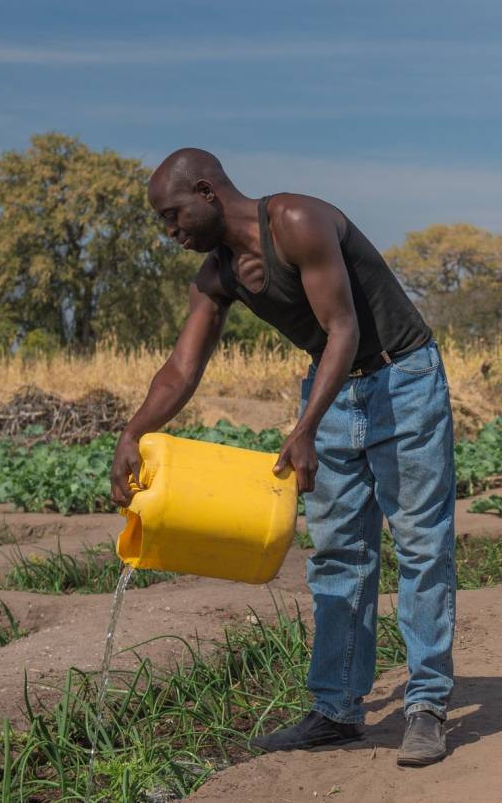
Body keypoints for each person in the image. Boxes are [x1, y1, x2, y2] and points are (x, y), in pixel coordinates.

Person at [110, 148, 456, 767]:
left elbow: (344, 329)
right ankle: (337, 710)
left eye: (173, 215)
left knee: (420, 544)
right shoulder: (217, 275)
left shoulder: (296, 222)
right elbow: (182, 367)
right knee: (339, 553)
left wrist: (304, 428)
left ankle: (426, 705)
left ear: (207, 191)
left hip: (401, 381)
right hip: (331, 392)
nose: (170, 232)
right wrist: (132, 433)